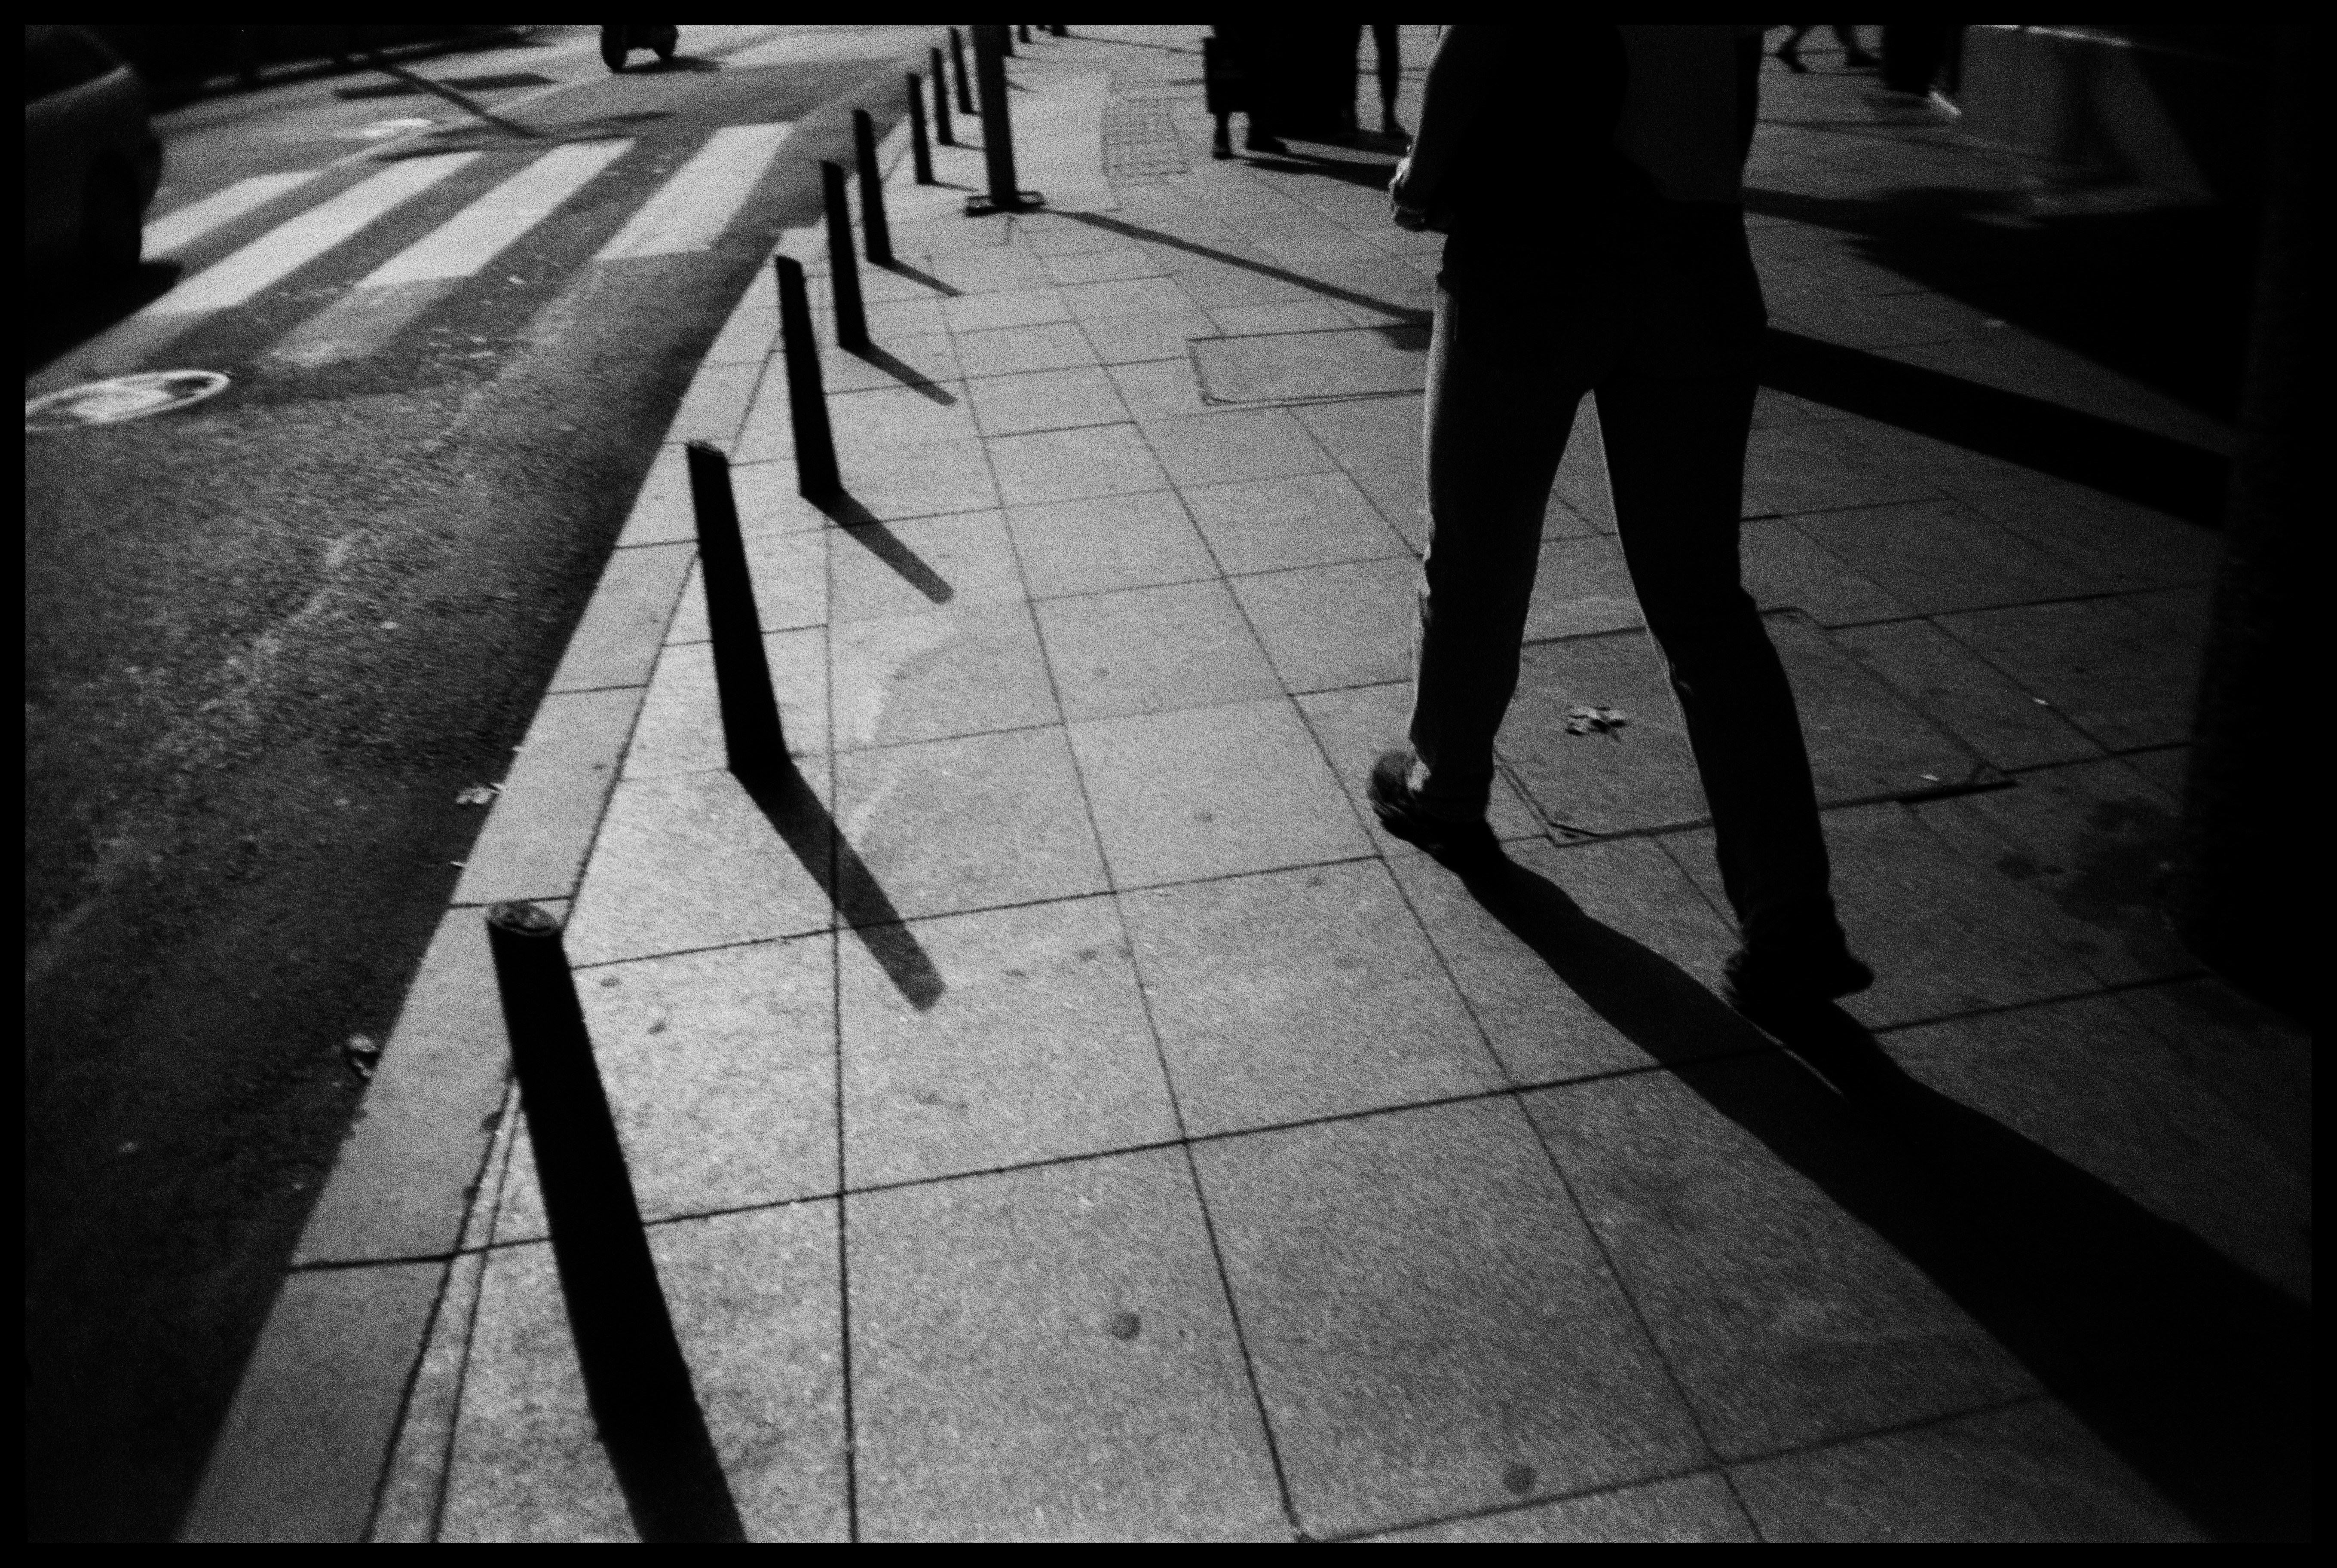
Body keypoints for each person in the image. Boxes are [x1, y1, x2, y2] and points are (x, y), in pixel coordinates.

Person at [1372, 24, 1873, 1013]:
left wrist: (1420, 181)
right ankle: (1791, 917)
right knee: (1703, 604)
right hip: (1699, 250)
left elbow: (1478, 41)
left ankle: (1448, 787)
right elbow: (1736, 92)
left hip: (1537, 244)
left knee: (1480, 545)